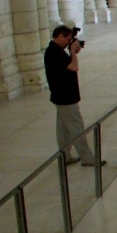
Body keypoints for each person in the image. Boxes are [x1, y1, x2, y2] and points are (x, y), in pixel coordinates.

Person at [43, 25, 105, 167]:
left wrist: (72, 52)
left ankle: (65, 156)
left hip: (62, 96)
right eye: (68, 39)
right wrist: (73, 52)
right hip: (65, 97)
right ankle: (87, 157)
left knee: (64, 129)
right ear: (60, 36)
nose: (69, 42)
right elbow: (74, 67)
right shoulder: (54, 52)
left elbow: (67, 66)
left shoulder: (55, 50)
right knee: (77, 127)